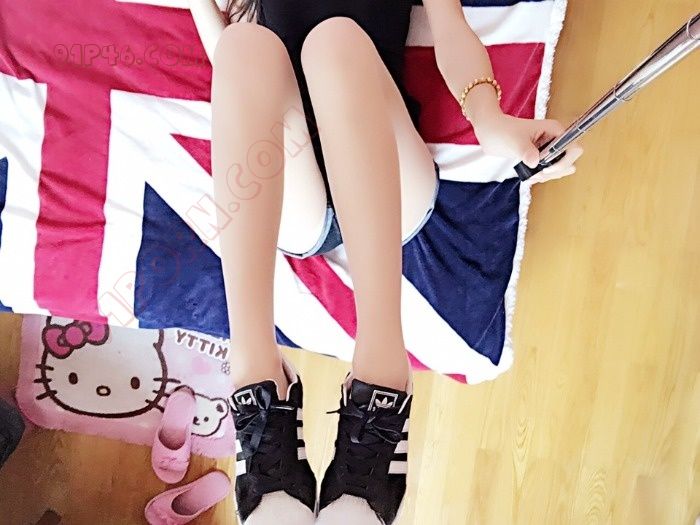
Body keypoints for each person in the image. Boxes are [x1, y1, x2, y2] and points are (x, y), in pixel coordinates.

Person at [188, 0, 583, 523]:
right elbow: (234, 80)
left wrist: (488, 119)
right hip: (293, 176)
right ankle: (255, 377)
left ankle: (381, 370)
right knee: (244, 46)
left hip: (385, 169)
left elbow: (451, 28)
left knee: (335, 42)